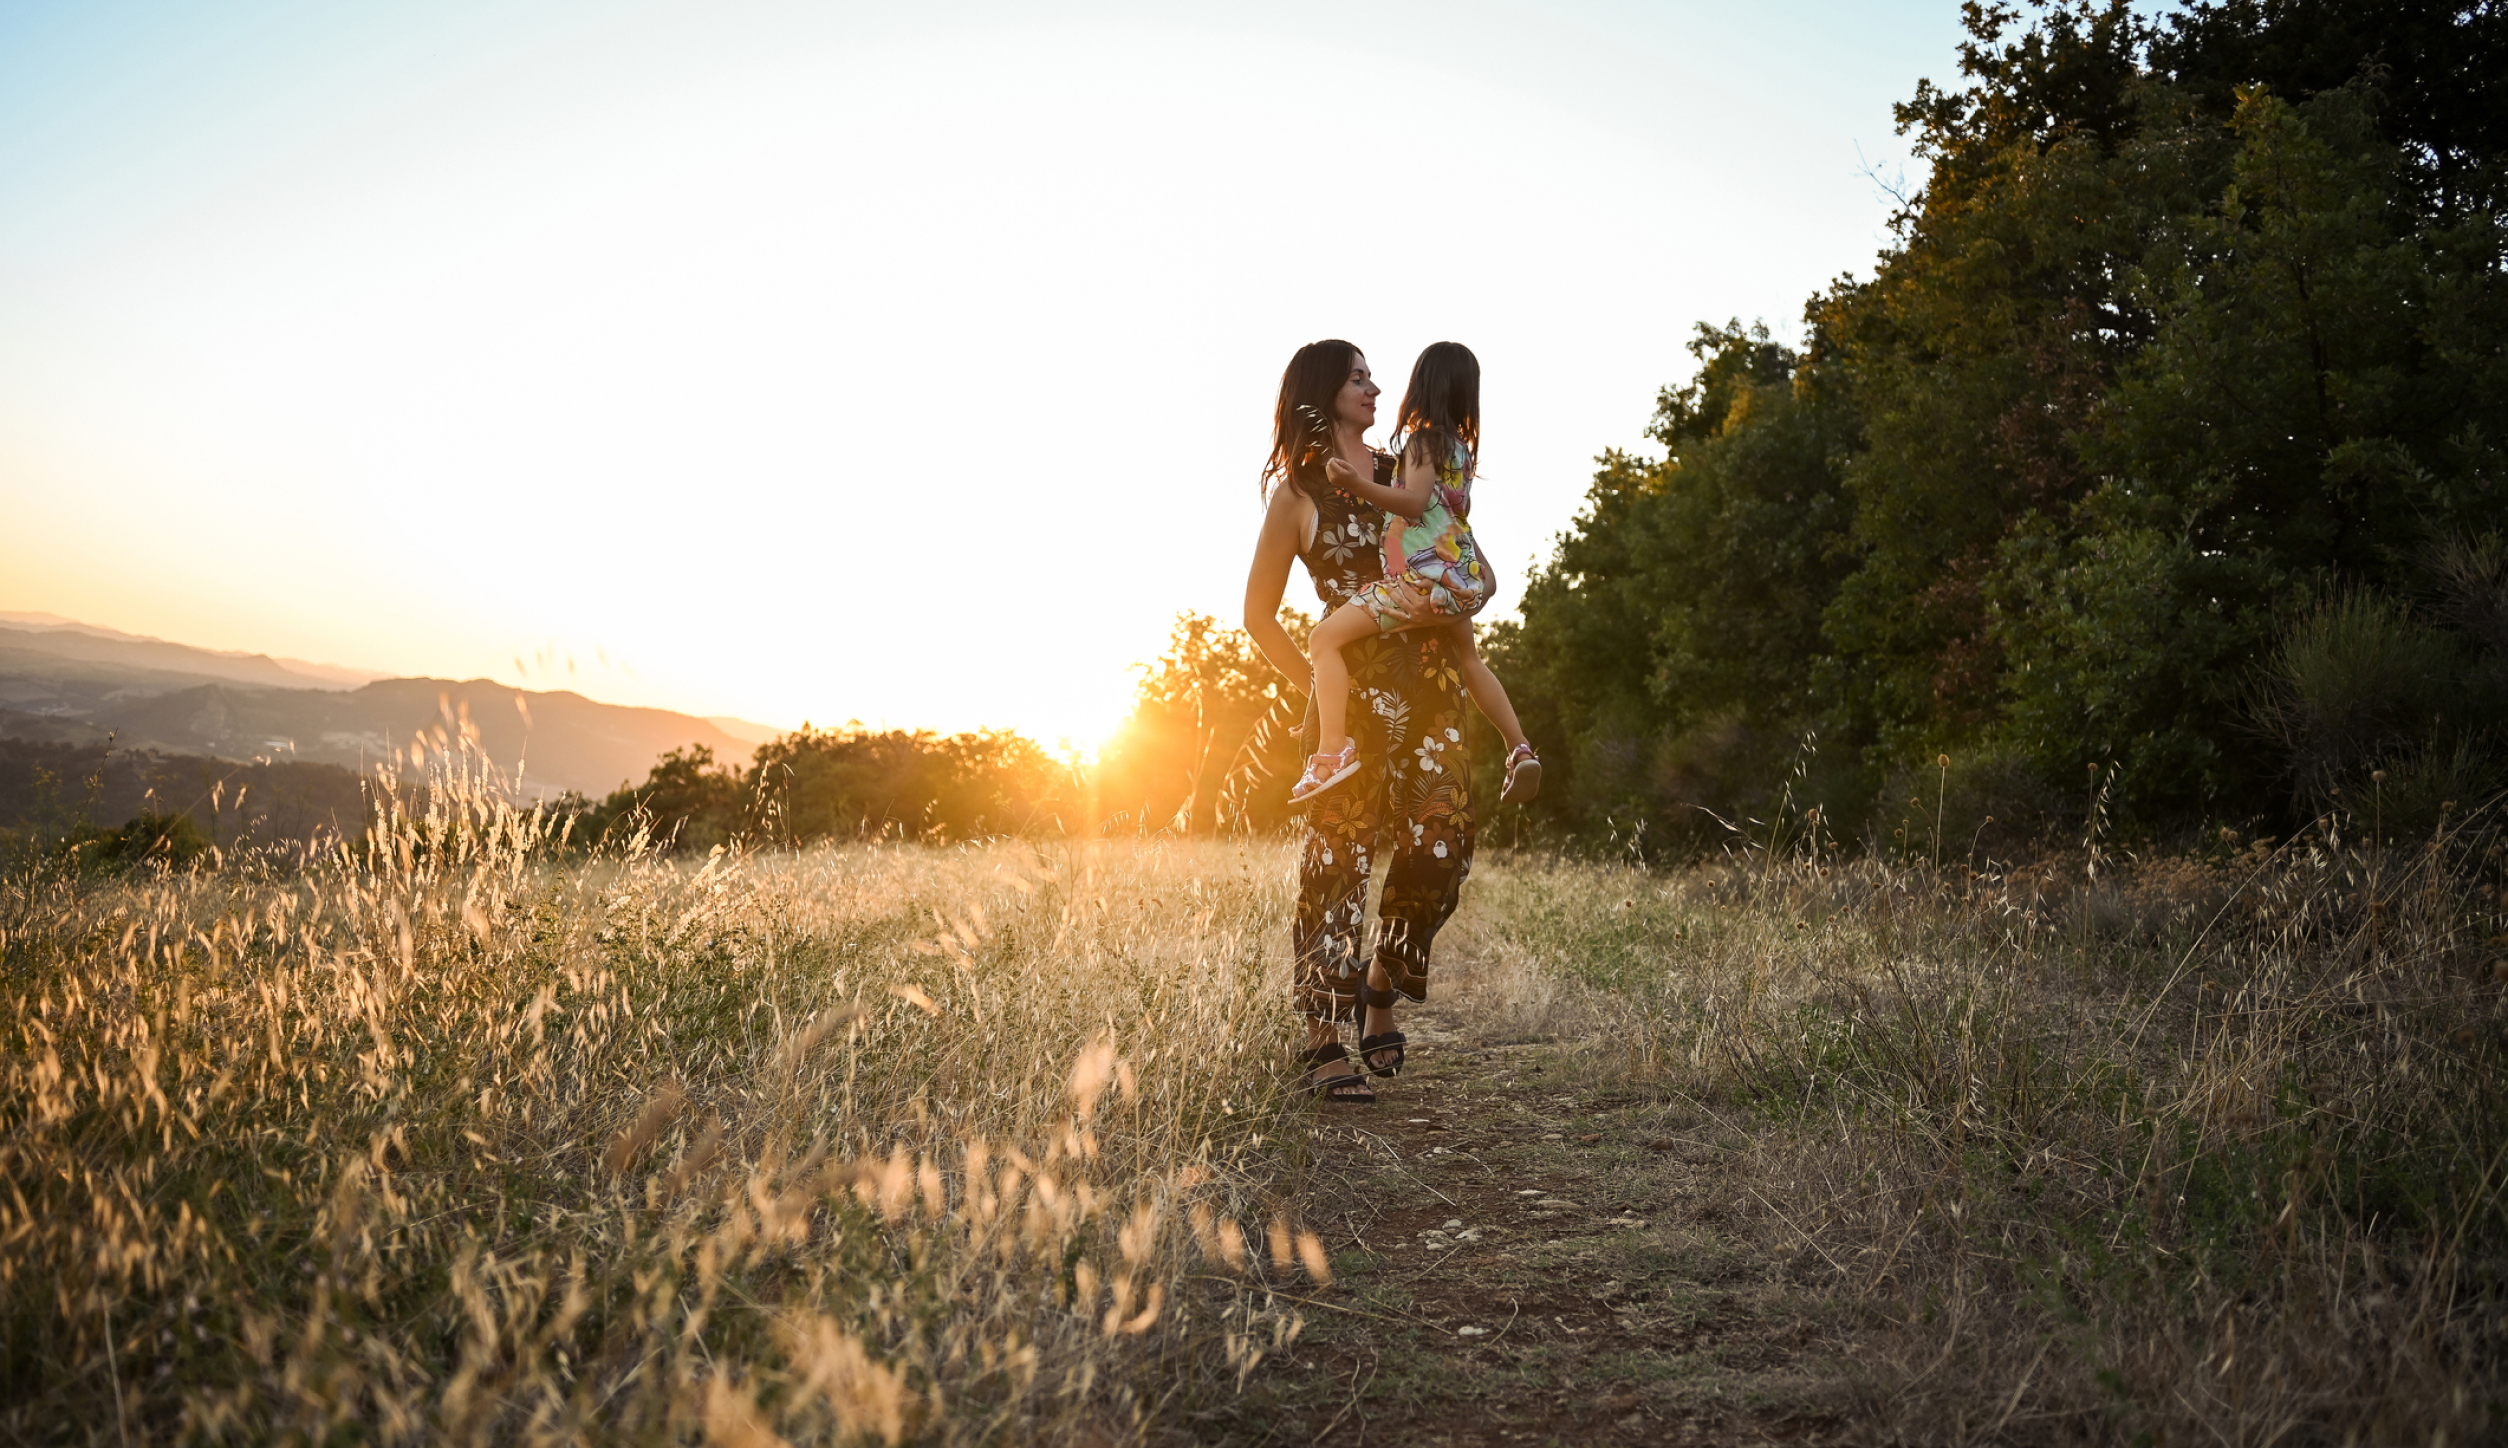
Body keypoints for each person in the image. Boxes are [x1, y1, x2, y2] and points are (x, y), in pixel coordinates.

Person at [1242, 339, 1474, 1103]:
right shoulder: (1299, 495)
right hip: (1350, 706)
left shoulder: (1402, 466)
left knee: (1443, 843)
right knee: (1336, 866)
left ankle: (1382, 979)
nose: (1375, 387)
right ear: (1322, 391)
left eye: (1375, 376)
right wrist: (1314, 683)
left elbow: (1442, 542)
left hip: (1434, 681)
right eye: (1357, 377)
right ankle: (1323, 1038)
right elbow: (1259, 617)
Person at [1286, 342, 1540, 808]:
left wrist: (1358, 485)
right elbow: (1455, 523)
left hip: (1417, 579)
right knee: (1471, 659)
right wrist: (1481, 583)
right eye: (1359, 379)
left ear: (1423, 385)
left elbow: (1415, 503)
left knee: (1322, 639)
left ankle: (1332, 750)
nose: (1379, 388)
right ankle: (1518, 746)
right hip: (1456, 577)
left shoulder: (1422, 444)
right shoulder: (1460, 452)